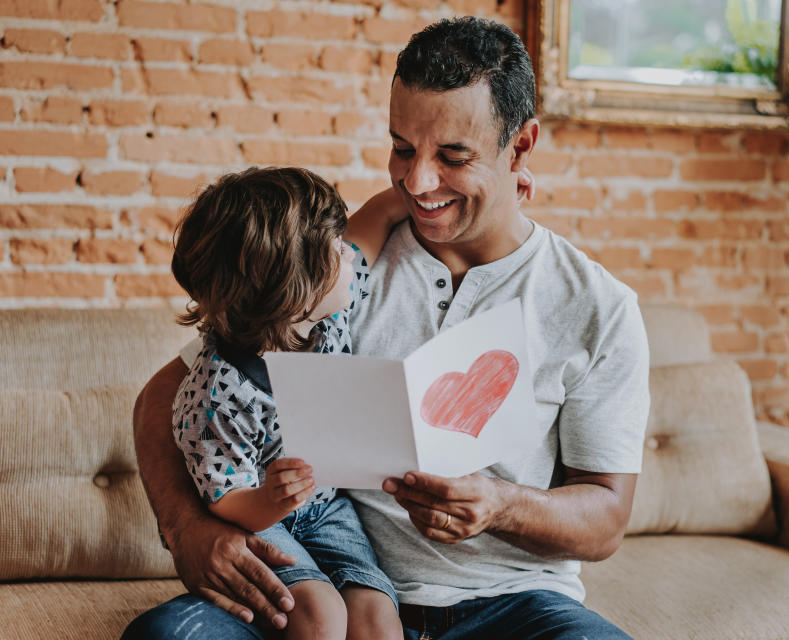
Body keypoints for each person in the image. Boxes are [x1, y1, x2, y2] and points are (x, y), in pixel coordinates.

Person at [124, 16, 649, 640]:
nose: (418, 182)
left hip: (512, 606)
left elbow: (606, 517)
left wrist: (501, 505)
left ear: (522, 147)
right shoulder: (333, 268)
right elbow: (168, 396)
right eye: (403, 148)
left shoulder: (596, 306)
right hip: (327, 582)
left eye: (453, 157)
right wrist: (187, 528)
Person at [163, 166, 405, 640]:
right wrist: (269, 501)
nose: (347, 249)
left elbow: (374, 219)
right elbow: (226, 499)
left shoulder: (327, 314)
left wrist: (410, 196)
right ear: (292, 289)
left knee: (377, 615)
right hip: (259, 514)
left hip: (329, 507)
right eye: (336, 247)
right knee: (320, 616)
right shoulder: (216, 394)